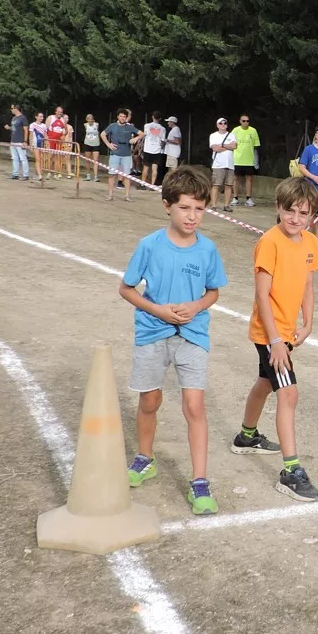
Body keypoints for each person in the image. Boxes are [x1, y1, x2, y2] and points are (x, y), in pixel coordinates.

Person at [119, 166, 227, 516]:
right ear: (167, 205)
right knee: (149, 400)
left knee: (194, 406)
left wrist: (196, 305)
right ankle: (144, 458)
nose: (192, 216)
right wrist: (158, 311)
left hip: (193, 335)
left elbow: (213, 292)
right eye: (185, 207)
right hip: (152, 332)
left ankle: (200, 480)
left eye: (199, 208)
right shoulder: (149, 245)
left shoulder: (208, 249)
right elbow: (126, 288)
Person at [234, 177, 318, 501]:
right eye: (290, 211)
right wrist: (274, 341)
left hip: (287, 331)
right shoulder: (270, 242)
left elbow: (308, 286)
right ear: (278, 208)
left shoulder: (310, 243)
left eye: (303, 213)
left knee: (265, 381)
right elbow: (262, 295)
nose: (295, 219)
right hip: (269, 332)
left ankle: (246, 436)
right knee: (288, 394)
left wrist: (308, 323)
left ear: (312, 215)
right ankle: (291, 471)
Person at [102, 109, 141, 201]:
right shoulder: (112, 126)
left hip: (126, 154)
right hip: (115, 153)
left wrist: (136, 138)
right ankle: (110, 195)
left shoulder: (130, 127)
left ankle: (127, 196)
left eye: (124, 116)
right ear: (118, 117)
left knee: (127, 175)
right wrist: (108, 144)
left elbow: (142, 133)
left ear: (127, 117)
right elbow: (103, 134)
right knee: (112, 175)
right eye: (121, 116)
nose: (123, 118)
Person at [231, 114, 261, 207]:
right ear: (240, 121)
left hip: (249, 160)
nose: (246, 123)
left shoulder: (253, 130)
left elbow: (256, 146)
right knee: (235, 179)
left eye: (247, 121)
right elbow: (231, 143)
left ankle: (248, 198)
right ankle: (235, 198)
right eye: (244, 121)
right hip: (237, 159)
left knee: (249, 179)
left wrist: (255, 160)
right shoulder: (235, 130)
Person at [207, 117, 237, 212]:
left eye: (225, 123)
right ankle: (214, 205)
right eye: (221, 123)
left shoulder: (232, 135)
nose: (223, 124)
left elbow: (234, 146)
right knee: (216, 185)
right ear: (217, 125)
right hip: (218, 164)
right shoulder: (213, 135)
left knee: (228, 185)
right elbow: (215, 148)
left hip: (230, 164)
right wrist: (228, 147)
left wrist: (222, 145)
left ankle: (226, 205)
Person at [141, 111, 167, 186]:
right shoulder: (163, 129)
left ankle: (143, 184)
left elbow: (144, 135)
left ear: (152, 117)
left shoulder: (147, 126)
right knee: (154, 169)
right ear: (160, 118)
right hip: (157, 150)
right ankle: (152, 185)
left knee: (145, 167)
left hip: (147, 149)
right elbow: (162, 141)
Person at [5, 105, 29, 180]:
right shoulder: (14, 118)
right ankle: (15, 174)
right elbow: (14, 128)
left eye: (12, 109)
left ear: (16, 109)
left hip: (20, 141)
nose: (11, 110)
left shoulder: (23, 118)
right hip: (13, 141)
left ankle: (26, 175)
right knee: (14, 158)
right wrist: (9, 128)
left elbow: (26, 130)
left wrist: (25, 141)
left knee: (23, 158)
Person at [47, 107, 69, 179]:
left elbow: (66, 130)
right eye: (59, 112)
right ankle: (49, 172)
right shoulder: (51, 118)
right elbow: (45, 128)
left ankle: (56, 173)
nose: (60, 113)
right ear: (55, 112)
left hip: (59, 141)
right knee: (50, 156)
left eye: (61, 112)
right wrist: (46, 139)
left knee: (57, 157)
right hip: (51, 139)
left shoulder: (63, 120)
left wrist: (64, 135)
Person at [81, 114, 101, 181]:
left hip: (96, 144)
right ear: (87, 120)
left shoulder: (97, 124)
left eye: (91, 119)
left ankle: (95, 176)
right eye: (88, 119)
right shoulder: (85, 125)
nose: (90, 120)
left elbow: (100, 132)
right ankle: (88, 175)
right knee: (88, 160)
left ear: (93, 119)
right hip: (87, 144)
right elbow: (83, 134)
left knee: (95, 161)